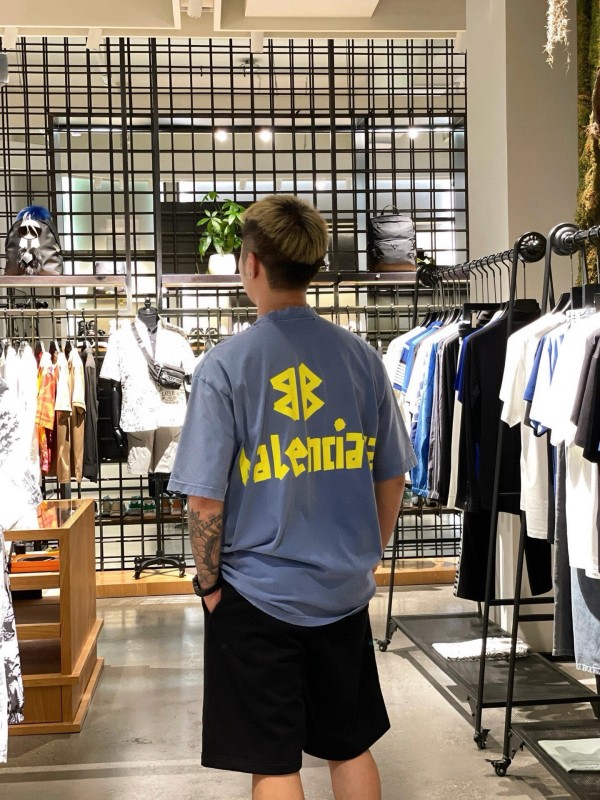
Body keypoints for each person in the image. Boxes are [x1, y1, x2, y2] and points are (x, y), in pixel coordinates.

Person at [168, 195, 417, 800]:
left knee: (274, 762)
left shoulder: (224, 367)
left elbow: (204, 502)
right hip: (342, 589)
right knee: (349, 745)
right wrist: (367, 554)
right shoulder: (362, 360)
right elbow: (391, 475)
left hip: (256, 591)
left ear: (251, 263)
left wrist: (209, 587)